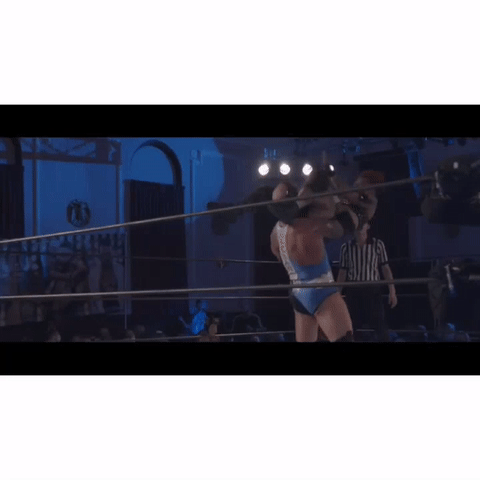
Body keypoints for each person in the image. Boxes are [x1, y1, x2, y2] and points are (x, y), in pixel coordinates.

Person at [269, 168, 361, 342]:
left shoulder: (275, 232)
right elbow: (349, 221)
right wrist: (335, 197)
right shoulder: (311, 220)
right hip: (321, 290)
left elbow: (278, 255)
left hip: (297, 293)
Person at [336, 222, 397, 342]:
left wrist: (392, 290)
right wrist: (337, 294)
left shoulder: (377, 244)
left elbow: (385, 268)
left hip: (372, 289)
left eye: (362, 223)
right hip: (353, 290)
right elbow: (342, 272)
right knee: (352, 325)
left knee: (379, 324)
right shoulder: (346, 247)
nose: (359, 226)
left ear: (368, 226)